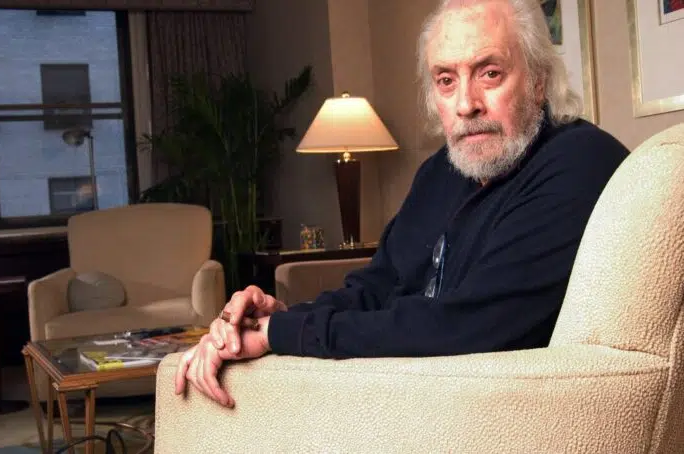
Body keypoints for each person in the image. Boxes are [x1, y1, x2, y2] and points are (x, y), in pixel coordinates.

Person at [174, 0, 630, 407]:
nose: (466, 104)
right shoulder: (442, 172)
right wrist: (279, 317)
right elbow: (374, 288)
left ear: (538, 81)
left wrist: (280, 334)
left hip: (489, 410)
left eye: (490, 73)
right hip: (409, 393)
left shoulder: (581, 162)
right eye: (446, 80)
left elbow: (466, 325)